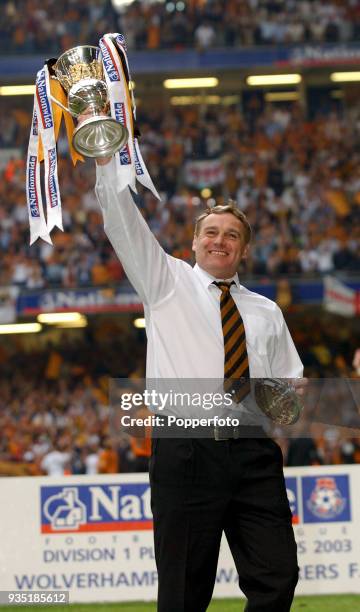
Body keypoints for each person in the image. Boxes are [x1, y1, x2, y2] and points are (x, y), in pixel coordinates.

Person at [93, 154, 304, 611]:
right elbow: (121, 218)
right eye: (210, 232)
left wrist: (289, 399)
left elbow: (286, 393)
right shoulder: (165, 281)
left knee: (278, 575)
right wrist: (106, 158)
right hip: (185, 449)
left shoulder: (267, 311)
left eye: (232, 235)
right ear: (193, 243)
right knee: (184, 592)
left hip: (253, 451)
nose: (220, 240)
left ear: (244, 249)